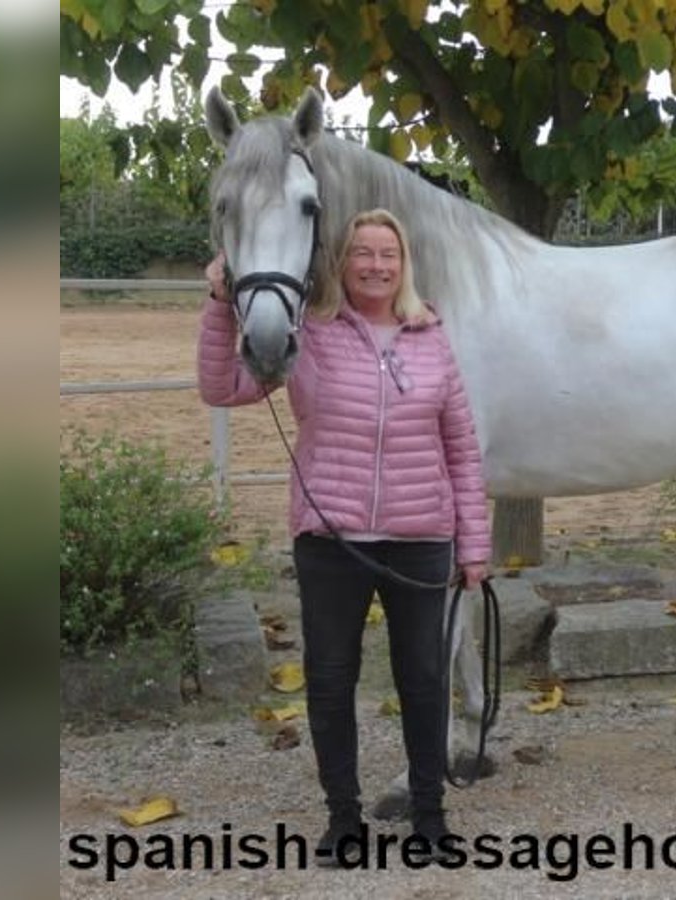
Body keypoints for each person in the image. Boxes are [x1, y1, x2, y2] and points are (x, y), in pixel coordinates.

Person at [197, 208, 491, 865]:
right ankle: (342, 820)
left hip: (421, 539)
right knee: (330, 681)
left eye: (388, 254)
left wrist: (473, 544)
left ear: (403, 263)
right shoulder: (313, 336)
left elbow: (463, 450)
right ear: (342, 263)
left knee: (422, 680)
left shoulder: (431, 336)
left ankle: (429, 816)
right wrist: (220, 306)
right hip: (331, 541)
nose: (376, 266)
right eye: (363, 253)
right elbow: (222, 387)